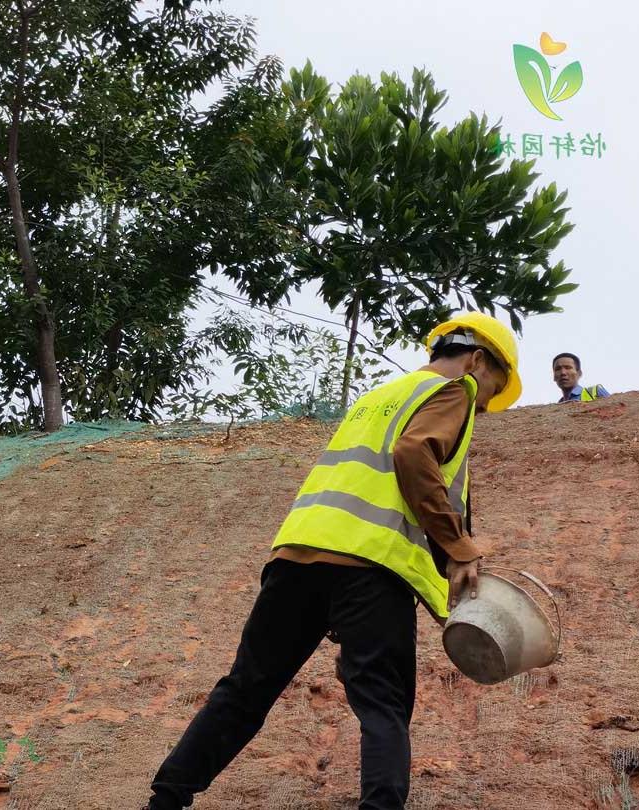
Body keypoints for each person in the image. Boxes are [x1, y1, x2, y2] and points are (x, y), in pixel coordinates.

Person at [143, 312, 521, 810]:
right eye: (493, 388)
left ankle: (166, 800)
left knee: (247, 689)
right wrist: (460, 547)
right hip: (370, 568)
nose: (486, 404)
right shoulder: (457, 390)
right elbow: (414, 455)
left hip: (300, 553)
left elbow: (373, 480)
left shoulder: (378, 397)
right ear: (476, 360)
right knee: (382, 703)